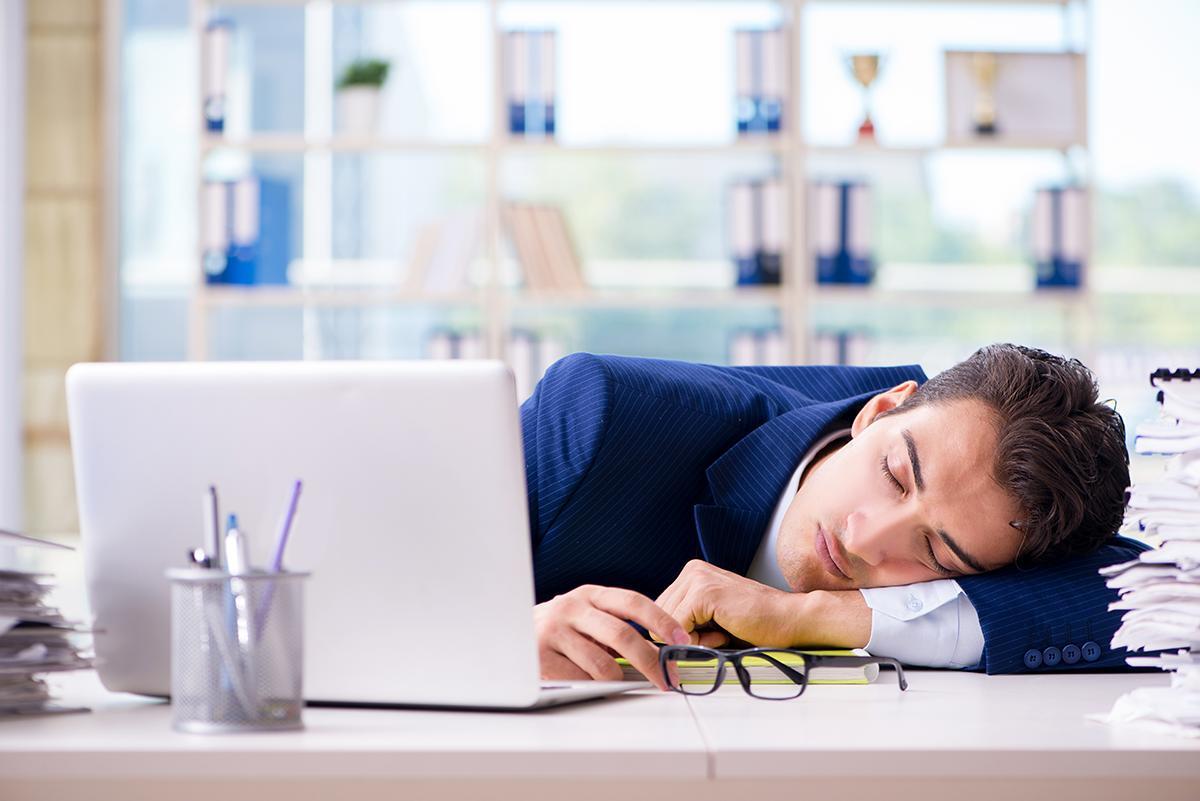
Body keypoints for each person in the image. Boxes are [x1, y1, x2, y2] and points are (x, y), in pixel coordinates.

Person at [521, 343, 1145, 690]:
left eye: (935, 554)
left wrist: (816, 614)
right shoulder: (599, 419)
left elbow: (1169, 594)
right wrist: (508, 633)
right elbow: (419, 576)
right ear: (879, 410)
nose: (864, 541)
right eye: (894, 476)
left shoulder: (995, 517)